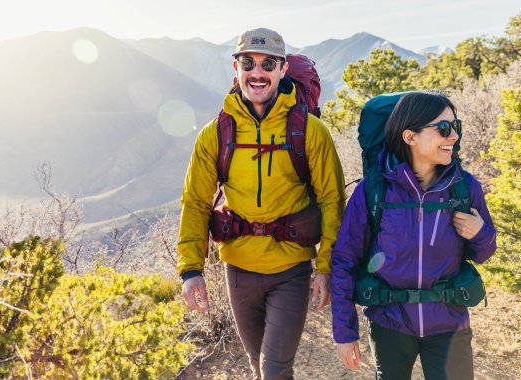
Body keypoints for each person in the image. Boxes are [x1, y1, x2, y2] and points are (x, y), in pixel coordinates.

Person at [178, 27, 345, 380]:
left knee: (274, 368)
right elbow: (196, 202)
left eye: (268, 63)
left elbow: (332, 200)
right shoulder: (215, 134)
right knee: (259, 366)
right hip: (238, 269)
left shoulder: (310, 131)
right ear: (235, 68)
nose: (258, 72)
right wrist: (191, 270)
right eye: (249, 63)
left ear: (283, 70)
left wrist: (327, 267)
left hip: (291, 269)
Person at [330, 92, 497, 380]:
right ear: (410, 137)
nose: (454, 136)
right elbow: (345, 261)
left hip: (449, 324)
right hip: (389, 324)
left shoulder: (464, 187)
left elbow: (484, 253)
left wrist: (480, 233)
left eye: (456, 126)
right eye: (443, 128)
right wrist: (345, 333)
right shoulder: (373, 191)